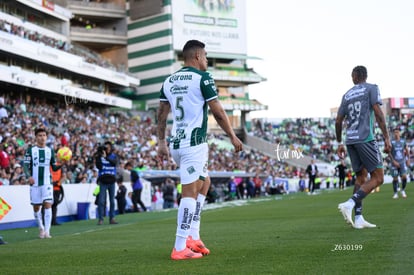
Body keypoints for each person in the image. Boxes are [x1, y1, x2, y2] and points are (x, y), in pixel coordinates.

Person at [157, 39, 243, 260]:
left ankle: (193, 236)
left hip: (177, 143)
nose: (206, 60)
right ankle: (179, 246)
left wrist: (161, 142)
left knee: (205, 182)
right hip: (193, 143)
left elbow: (161, 114)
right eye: (205, 56)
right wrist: (232, 136)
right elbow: (218, 112)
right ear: (196, 56)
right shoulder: (203, 78)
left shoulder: (169, 80)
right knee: (190, 192)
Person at [336, 65, 391, 229]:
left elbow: (338, 121)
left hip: (350, 140)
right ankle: (350, 203)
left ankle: (358, 218)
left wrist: (339, 142)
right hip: (365, 137)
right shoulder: (372, 88)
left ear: (355, 76)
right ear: (365, 76)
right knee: (379, 177)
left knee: (361, 177)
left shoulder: (346, 95)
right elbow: (378, 112)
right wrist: (386, 137)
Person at [23, 127, 66, 239]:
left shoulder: (50, 151)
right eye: (40, 135)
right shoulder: (31, 150)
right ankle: (41, 227)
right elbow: (25, 165)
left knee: (48, 205)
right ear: (36, 137)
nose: (42, 138)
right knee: (36, 208)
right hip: (35, 183)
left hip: (47, 182)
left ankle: (47, 231)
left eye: (44, 135)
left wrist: (62, 163)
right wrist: (29, 176)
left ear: (46, 137)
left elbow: (54, 168)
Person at [95, 141, 118, 225]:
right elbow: (99, 166)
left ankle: (112, 218)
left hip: (111, 180)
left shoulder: (114, 156)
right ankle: (100, 218)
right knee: (101, 201)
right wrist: (98, 156)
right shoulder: (100, 157)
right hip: (103, 181)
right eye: (105, 148)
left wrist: (106, 157)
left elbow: (114, 163)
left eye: (108, 147)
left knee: (112, 201)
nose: (107, 149)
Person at [389, 127, 410, 199]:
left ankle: (403, 190)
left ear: (400, 133)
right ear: (393, 133)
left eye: (397, 132)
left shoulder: (403, 141)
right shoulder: (391, 142)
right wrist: (393, 161)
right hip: (394, 163)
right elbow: (389, 152)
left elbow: (407, 150)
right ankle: (395, 193)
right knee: (395, 178)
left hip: (402, 162)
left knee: (404, 177)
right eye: (395, 132)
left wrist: (408, 159)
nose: (396, 134)